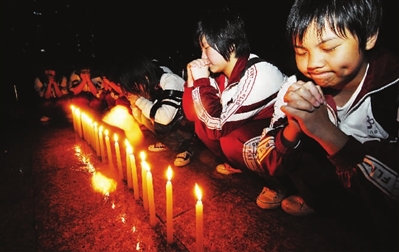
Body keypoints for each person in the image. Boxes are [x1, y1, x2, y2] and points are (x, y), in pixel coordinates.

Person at [256, 0, 398, 250]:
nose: (312, 64)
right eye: (301, 51)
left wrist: (326, 132)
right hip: (336, 195)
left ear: (369, 36)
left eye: (329, 48)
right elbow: (265, 160)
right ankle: (320, 203)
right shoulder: (299, 89)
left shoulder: (392, 89)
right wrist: (295, 126)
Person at [182, 8, 287, 175]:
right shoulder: (221, 74)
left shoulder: (260, 73)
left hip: (290, 145)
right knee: (202, 125)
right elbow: (192, 115)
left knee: (231, 139)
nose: (203, 57)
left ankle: (282, 187)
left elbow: (216, 128)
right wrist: (191, 80)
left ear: (230, 45)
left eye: (207, 48)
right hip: (259, 131)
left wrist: (202, 82)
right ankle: (237, 164)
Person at [111, 54, 196, 167]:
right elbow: (140, 119)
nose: (134, 89)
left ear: (143, 76)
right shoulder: (149, 80)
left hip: (190, 123)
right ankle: (169, 143)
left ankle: (187, 147)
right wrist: (134, 103)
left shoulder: (169, 80)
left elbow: (165, 118)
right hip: (172, 117)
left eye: (134, 85)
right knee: (146, 116)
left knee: (159, 123)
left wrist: (139, 100)